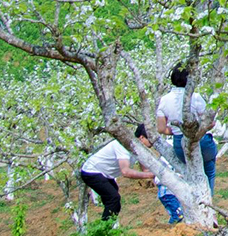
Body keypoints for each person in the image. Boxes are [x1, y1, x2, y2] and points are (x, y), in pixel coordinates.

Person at [156, 64, 218, 202]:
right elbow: (209, 123)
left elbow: (160, 129)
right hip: (201, 141)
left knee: (190, 173)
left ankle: (194, 204)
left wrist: (176, 131)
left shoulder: (164, 100)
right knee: (209, 170)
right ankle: (208, 204)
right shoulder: (195, 97)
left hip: (179, 143)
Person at [78, 126, 158, 225]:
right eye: (150, 140)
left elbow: (145, 169)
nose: (153, 143)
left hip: (106, 174)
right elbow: (125, 172)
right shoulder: (123, 146)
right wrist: (151, 175)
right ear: (142, 137)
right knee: (113, 199)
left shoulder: (140, 148)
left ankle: (108, 228)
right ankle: (104, 230)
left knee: (114, 202)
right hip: (91, 171)